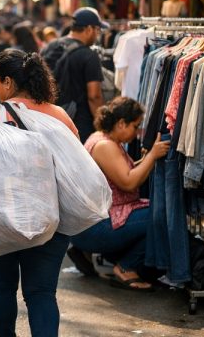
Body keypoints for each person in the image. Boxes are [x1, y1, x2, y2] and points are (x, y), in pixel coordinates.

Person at [0, 49, 77, 337]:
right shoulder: (59, 116)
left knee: (1, 289)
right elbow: (75, 169)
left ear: (7, 82)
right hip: (48, 220)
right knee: (41, 293)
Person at [69, 97, 170, 290]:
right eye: (135, 126)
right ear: (121, 123)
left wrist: (149, 158)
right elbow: (128, 181)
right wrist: (153, 156)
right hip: (97, 226)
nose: (137, 132)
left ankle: (93, 253)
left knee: (154, 212)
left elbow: (125, 173)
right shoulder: (104, 146)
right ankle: (126, 267)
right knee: (160, 216)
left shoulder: (102, 139)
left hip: (95, 223)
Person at [44, 7, 106, 142]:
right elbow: (94, 96)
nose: (97, 35)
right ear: (89, 29)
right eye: (97, 30)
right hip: (79, 123)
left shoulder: (50, 46)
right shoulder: (89, 55)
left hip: (50, 120)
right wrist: (103, 127)